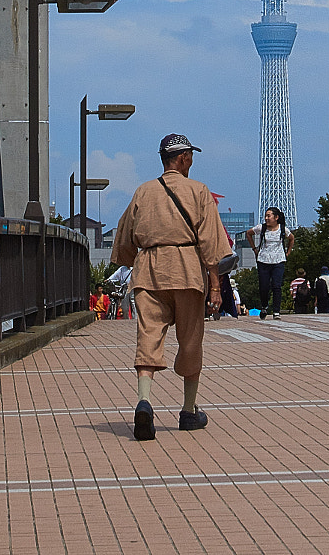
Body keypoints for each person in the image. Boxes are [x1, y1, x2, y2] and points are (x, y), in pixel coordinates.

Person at [109, 133, 234, 441]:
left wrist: (131, 259)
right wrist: (215, 287)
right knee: (191, 340)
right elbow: (212, 244)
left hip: (149, 270)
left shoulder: (143, 191)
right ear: (182, 159)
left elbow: (124, 241)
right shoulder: (199, 191)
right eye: (190, 156)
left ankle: (144, 401)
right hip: (187, 271)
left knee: (148, 336)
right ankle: (189, 411)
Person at [247, 207, 293, 317]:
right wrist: (254, 249)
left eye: (269, 216)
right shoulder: (261, 228)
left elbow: (291, 238)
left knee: (276, 286)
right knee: (264, 286)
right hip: (263, 260)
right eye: (266, 216)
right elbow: (248, 233)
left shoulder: (283, 229)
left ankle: (276, 311)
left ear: (276, 217)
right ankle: (264, 306)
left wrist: (288, 252)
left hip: (278, 260)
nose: (267, 218)